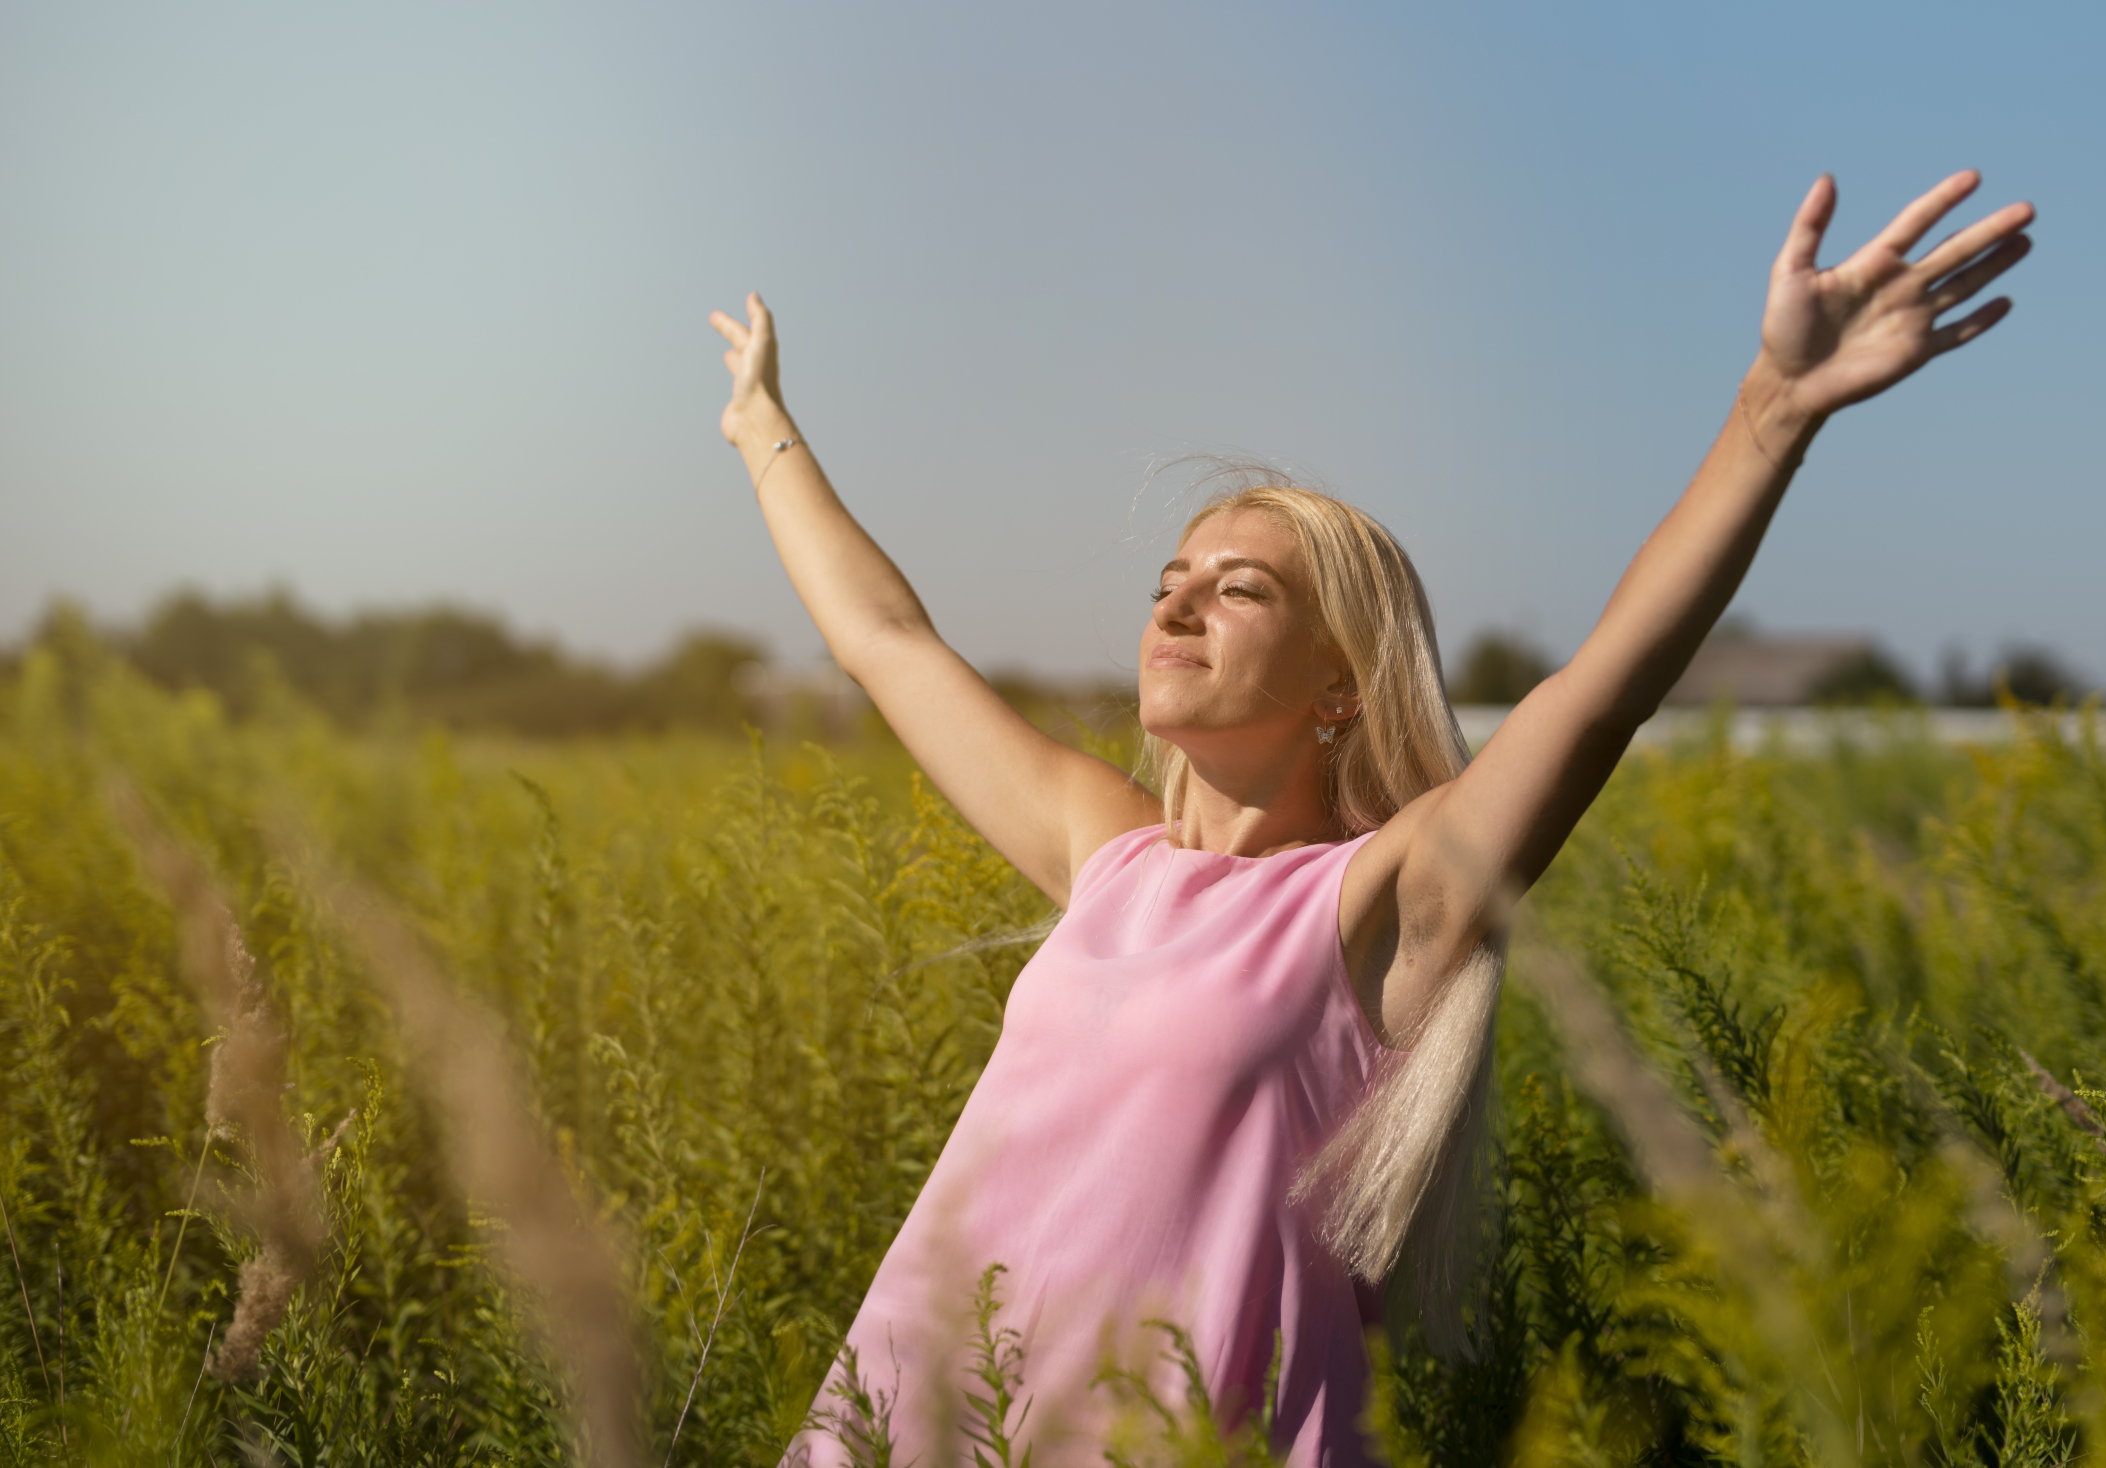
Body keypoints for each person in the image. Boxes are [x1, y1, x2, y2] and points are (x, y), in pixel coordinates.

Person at [711, 170, 2033, 1467]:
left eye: (1239, 591)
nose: (1175, 608)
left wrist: (1773, 412)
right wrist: (763, 426)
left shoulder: (1378, 904)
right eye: (1171, 581)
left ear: (1343, 682)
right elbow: (887, 643)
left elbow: (1596, 696)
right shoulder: (1104, 858)